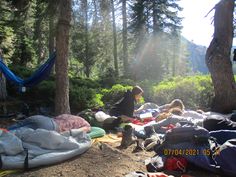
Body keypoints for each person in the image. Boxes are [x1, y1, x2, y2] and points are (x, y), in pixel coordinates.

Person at [7, 114, 91, 133]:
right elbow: (79, 131)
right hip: (51, 126)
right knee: (16, 134)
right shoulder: (86, 124)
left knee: (10, 129)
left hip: (40, 118)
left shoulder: (69, 115)